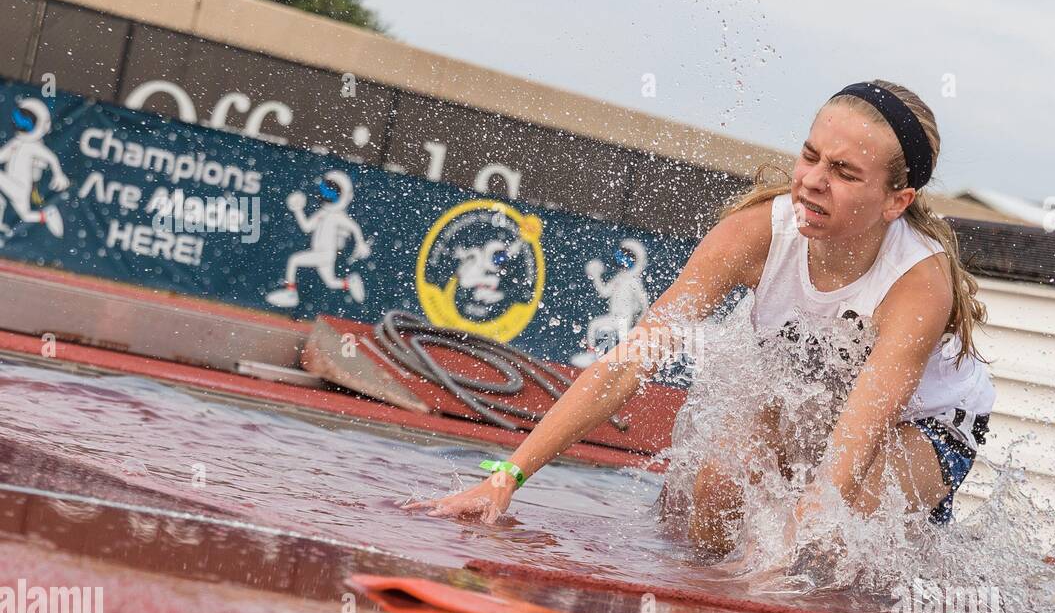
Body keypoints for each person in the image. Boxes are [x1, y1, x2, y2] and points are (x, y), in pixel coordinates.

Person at [403, 80, 995, 562]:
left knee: (828, 547)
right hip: (817, 393)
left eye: (845, 173)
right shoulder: (755, 234)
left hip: (926, 424)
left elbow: (856, 439)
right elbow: (627, 365)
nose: (813, 180)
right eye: (811, 156)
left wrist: (786, 554)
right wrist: (505, 477)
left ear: (898, 201)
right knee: (712, 495)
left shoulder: (917, 283)